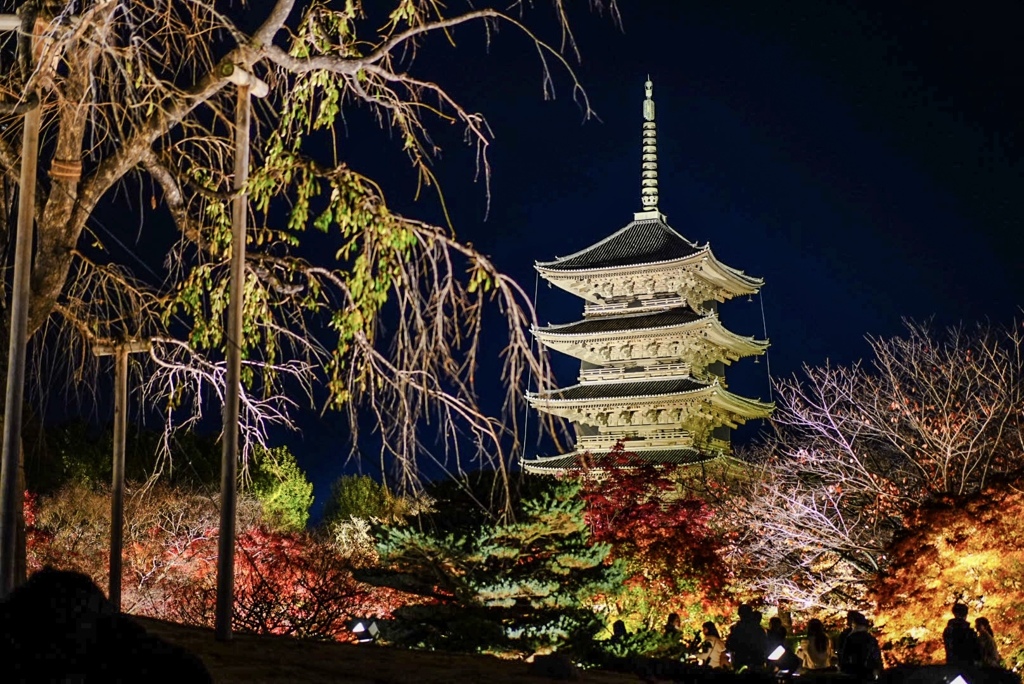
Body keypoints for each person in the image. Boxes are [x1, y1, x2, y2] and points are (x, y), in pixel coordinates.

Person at [838, 612, 882, 681]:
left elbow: (844, 656)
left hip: (853, 672)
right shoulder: (871, 639)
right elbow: (876, 656)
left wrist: (843, 668)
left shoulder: (850, 638)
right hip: (868, 672)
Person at [726, 604, 767, 671]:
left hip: (743, 660)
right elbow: (764, 644)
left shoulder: (738, 628)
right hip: (755, 661)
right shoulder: (757, 628)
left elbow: (730, 644)